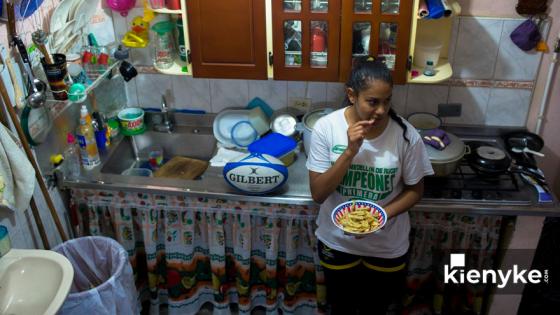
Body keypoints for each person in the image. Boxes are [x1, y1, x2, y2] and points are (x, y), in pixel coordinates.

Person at [306, 56, 434, 315]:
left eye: (387, 101)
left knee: (376, 308)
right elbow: (319, 193)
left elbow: (415, 190)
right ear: (351, 95)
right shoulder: (326, 128)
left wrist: (378, 217)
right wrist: (349, 152)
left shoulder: (406, 135)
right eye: (373, 102)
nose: (381, 110)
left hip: (387, 244)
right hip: (337, 240)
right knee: (340, 307)